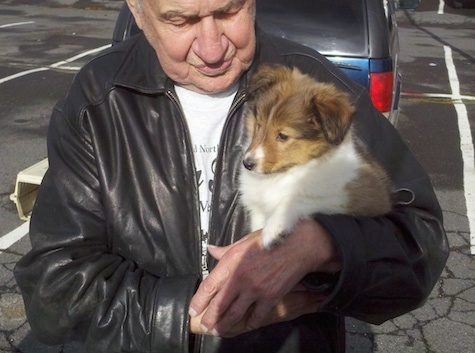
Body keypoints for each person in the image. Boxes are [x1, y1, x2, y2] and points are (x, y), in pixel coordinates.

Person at [14, 0, 449, 352]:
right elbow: (57, 282)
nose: (211, 47)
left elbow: (420, 243)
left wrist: (325, 244)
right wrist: (191, 314)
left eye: (228, 11)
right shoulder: (98, 100)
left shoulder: (313, 86)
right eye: (180, 20)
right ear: (138, 11)